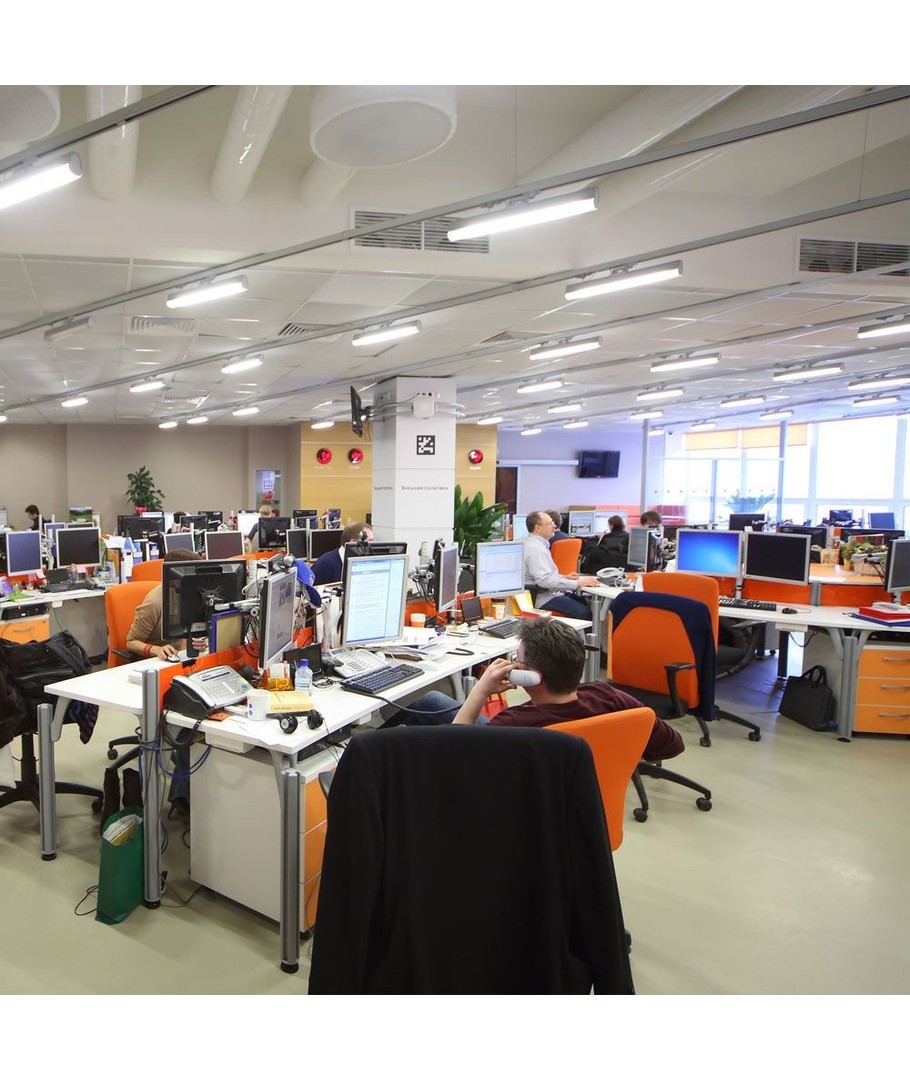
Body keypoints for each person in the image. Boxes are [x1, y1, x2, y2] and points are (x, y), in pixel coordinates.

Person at [387, 618, 685, 764]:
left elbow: (454, 749)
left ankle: (372, 756)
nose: (513, 664)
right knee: (434, 701)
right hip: (582, 806)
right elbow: (672, 745)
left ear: (531, 677)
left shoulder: (513, 725)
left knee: (428, 712)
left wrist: (480, 691)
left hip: (516, 812)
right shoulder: (611, 697)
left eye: (518, 660)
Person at [125, 547, 208, 816]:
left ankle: (188, 788)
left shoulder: (193, 596)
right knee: (187, 726)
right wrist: (155, 649)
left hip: (183, 665)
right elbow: (130, 642)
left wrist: (200, 640)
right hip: (156, 668)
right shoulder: (154, 601)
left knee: (202, 717)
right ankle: (182, 796)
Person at [523, 510, 598, 619]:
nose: (554, 526)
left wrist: (564, 577)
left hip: (546, 592)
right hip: (540, 597)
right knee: (584, 613)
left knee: (582, 602)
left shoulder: (536, 544)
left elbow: (543, 575)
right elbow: (544, 581)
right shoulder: (536, 549)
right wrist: (578, 583)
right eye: (550, 523)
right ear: (538, 528)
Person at [311, 521, 373, 586]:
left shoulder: (364, 563)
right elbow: (310, 590)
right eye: (369, 541)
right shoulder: (325, 564)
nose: (372, 546)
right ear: (352, 543)